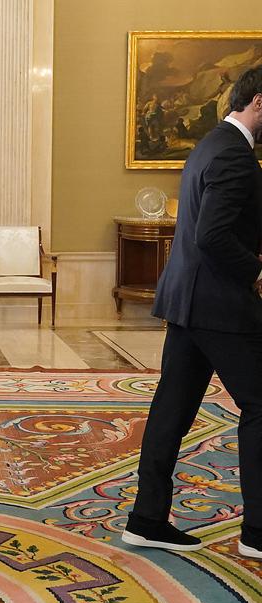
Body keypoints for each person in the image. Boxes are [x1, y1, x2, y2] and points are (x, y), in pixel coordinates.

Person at [123, 65, 262, 561]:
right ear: (259, 102)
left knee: (172, 411)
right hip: (219, 305)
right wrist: (257, 273)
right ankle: (257, 534)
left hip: (189, 300)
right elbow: (213, 235)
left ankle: (146, 519)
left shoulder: (210, 143)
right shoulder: (235, 157)